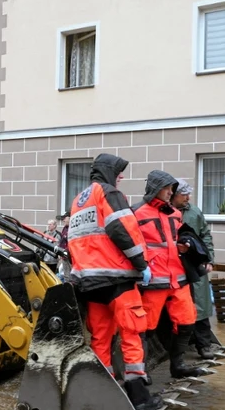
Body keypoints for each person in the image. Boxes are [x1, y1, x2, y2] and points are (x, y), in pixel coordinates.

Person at [67, 153, 162, 410]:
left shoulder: (78, 200)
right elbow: (122, 229)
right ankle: (139, 398)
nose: (121, 177)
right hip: (117, 278)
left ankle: (104, 395)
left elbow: (73, 240)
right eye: (119, 172)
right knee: (132, 332)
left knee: (100, 338)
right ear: (108, 171)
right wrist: (141, 263)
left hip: (90, 283)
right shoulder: (109, 193)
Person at [133, 170, 208, 380]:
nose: (170, 192)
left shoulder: (175, 213)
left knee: (187, 321)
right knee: (145, 327)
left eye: (171, 189)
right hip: (153, 279)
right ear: (155, 189)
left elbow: (177, 239)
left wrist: (186, 246)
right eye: (166, 188)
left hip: (178, 277)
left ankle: (178, 366)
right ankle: (140, 371)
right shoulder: (136, 212)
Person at [170, 179, 216, 360]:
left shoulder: (194, 212)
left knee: (200, 305)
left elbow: (205, 235)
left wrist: (209, 259)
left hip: (195, 264)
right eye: (184, 194)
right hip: (173, 266)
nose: (188, 197)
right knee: (178, 307)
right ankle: (177, 348)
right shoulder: (165, 212)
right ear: (174, 195)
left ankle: (204, 345)